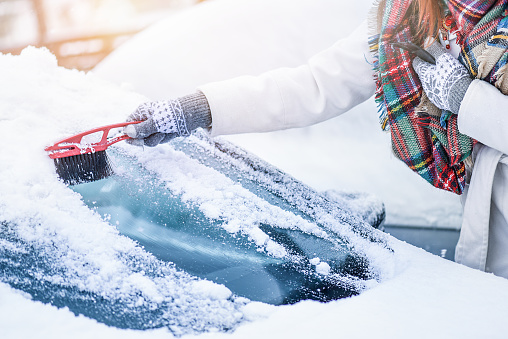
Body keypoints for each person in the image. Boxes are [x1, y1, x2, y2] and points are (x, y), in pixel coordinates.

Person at [124, 0, 508, 279]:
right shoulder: (409, 17)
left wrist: (465, 100)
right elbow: (312, 86)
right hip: (487, 242)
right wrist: (201, 108)